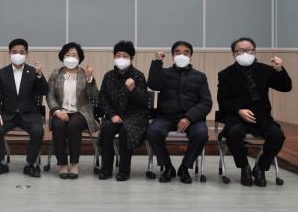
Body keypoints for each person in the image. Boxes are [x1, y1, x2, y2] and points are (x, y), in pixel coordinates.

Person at [217, 37, 292, 187]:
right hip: (237, 117)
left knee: (277, 136)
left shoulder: (266, 70)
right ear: (234, 54)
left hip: (261, 117)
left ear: (255, 52)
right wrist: (239, 110)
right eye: (240, 51)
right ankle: (244, 167)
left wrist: (279, 70)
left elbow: (285, 87)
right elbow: (223, 100)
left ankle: (261, 168)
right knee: (233, 134)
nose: (245, 53)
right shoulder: (226, 74)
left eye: (249, 50)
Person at [146, 41, 212, 184]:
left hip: (192, 118)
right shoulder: (164, 73)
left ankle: (185, 167)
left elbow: (206, 103)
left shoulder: (200, 77)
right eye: (177, 52)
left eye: (186, 52)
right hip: (166, 117)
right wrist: (158, 62)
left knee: (201, 133)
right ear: (172, 55)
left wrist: (189, 118)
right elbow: (153, 84)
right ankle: (168, 167)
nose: (182, 55)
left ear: (191, 56)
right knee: (153, 131)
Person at [0, 38, 48, 178]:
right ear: (9, 53)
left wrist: (39, 74)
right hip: (7, 114)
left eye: (21, 52)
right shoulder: (1, 73)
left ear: (27, 54)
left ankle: (30, 164)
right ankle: (1, 163)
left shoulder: (33, 71)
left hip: (29, 114)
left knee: (38, 130)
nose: (18, 55)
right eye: (14, 52)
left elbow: (44, 91)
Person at [97, 40, 150, 181]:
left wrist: (133, 89)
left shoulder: (138, 76)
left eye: (125, 56)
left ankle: (124, 170)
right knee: (107, 128)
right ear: (114, 57)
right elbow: (103, 98)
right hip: (114, 115)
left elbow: (144, 101)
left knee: (126, 130)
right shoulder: (108, 76)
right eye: (118, 55)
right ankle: (106, 169)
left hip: (135, 116)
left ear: (131, 58)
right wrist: (112, 115)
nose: (121, 58)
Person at [46, 42, 98, 180]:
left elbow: (94, 97)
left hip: (80, 111)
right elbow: (50, 95)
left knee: (74, 126)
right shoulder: (56, 73)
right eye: (67, 55)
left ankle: (74, 163)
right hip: (60, 111)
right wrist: (57, 111)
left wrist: (90, 78)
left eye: (74, 55)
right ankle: (63, 164)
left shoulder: (84, 73)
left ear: (79, 58)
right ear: (62, 57)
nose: (70, 58)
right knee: (58, 125)